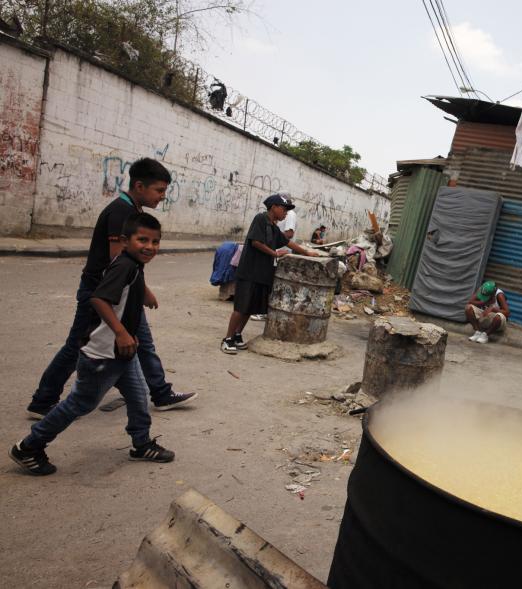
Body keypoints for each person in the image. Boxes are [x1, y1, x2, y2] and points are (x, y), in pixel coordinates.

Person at [26, 158, 196, 420]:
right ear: (139, 186)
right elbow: (118, 261)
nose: (163, 196)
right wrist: (143, 290)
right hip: (102, 294)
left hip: (123, 293)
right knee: (76, 346)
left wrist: (140, 291)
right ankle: (43, 401)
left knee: (143, 343)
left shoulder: (131, 210)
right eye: (159, 190)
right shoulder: (120, 212)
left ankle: (161, 393)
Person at [10, 213, 175, 475]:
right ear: (125, 241)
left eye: (155, 242)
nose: (150, 247)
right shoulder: (125, 266)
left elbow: (127, 292)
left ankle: (141, 444)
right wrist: (121, 332)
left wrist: (143, 296)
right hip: (103, 354)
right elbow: (99, 299)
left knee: (138, 395)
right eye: (142, 240)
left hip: (123, 353)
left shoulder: (133, 264)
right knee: (80, 403)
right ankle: (29, 446)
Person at [221, 194, 320, 354]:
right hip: (249, 271)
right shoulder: (260, 219)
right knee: (240, 307)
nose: (286, 213)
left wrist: (307, 253)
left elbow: (288, 242)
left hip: (261, 273)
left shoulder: (273, 227)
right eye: (284, 209)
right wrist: (274, 253)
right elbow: (256, 242)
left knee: (249, 307)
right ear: (273, 207)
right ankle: (227, 339)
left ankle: (237, 335)